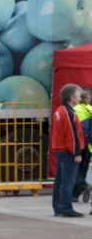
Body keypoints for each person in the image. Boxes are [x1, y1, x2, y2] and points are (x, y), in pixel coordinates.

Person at [50, 84, 85, 218]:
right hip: (68, 150)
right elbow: (72, 134)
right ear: (72, 98)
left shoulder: (60, 110)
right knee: (68, 182)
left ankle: (58, 207)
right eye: (78, 96)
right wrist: (76, 152)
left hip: (60, 149)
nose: (79, 98)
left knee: (59, 181)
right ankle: (66, 208)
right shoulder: (69, 113)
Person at [71, 89, 92, 204]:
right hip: (88, 145)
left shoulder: (74, 110)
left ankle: (83, 186)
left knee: (75, 169)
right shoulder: (91, 110)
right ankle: (77, 193)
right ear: (88, 100)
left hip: (78, 144)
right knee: (83, 169)